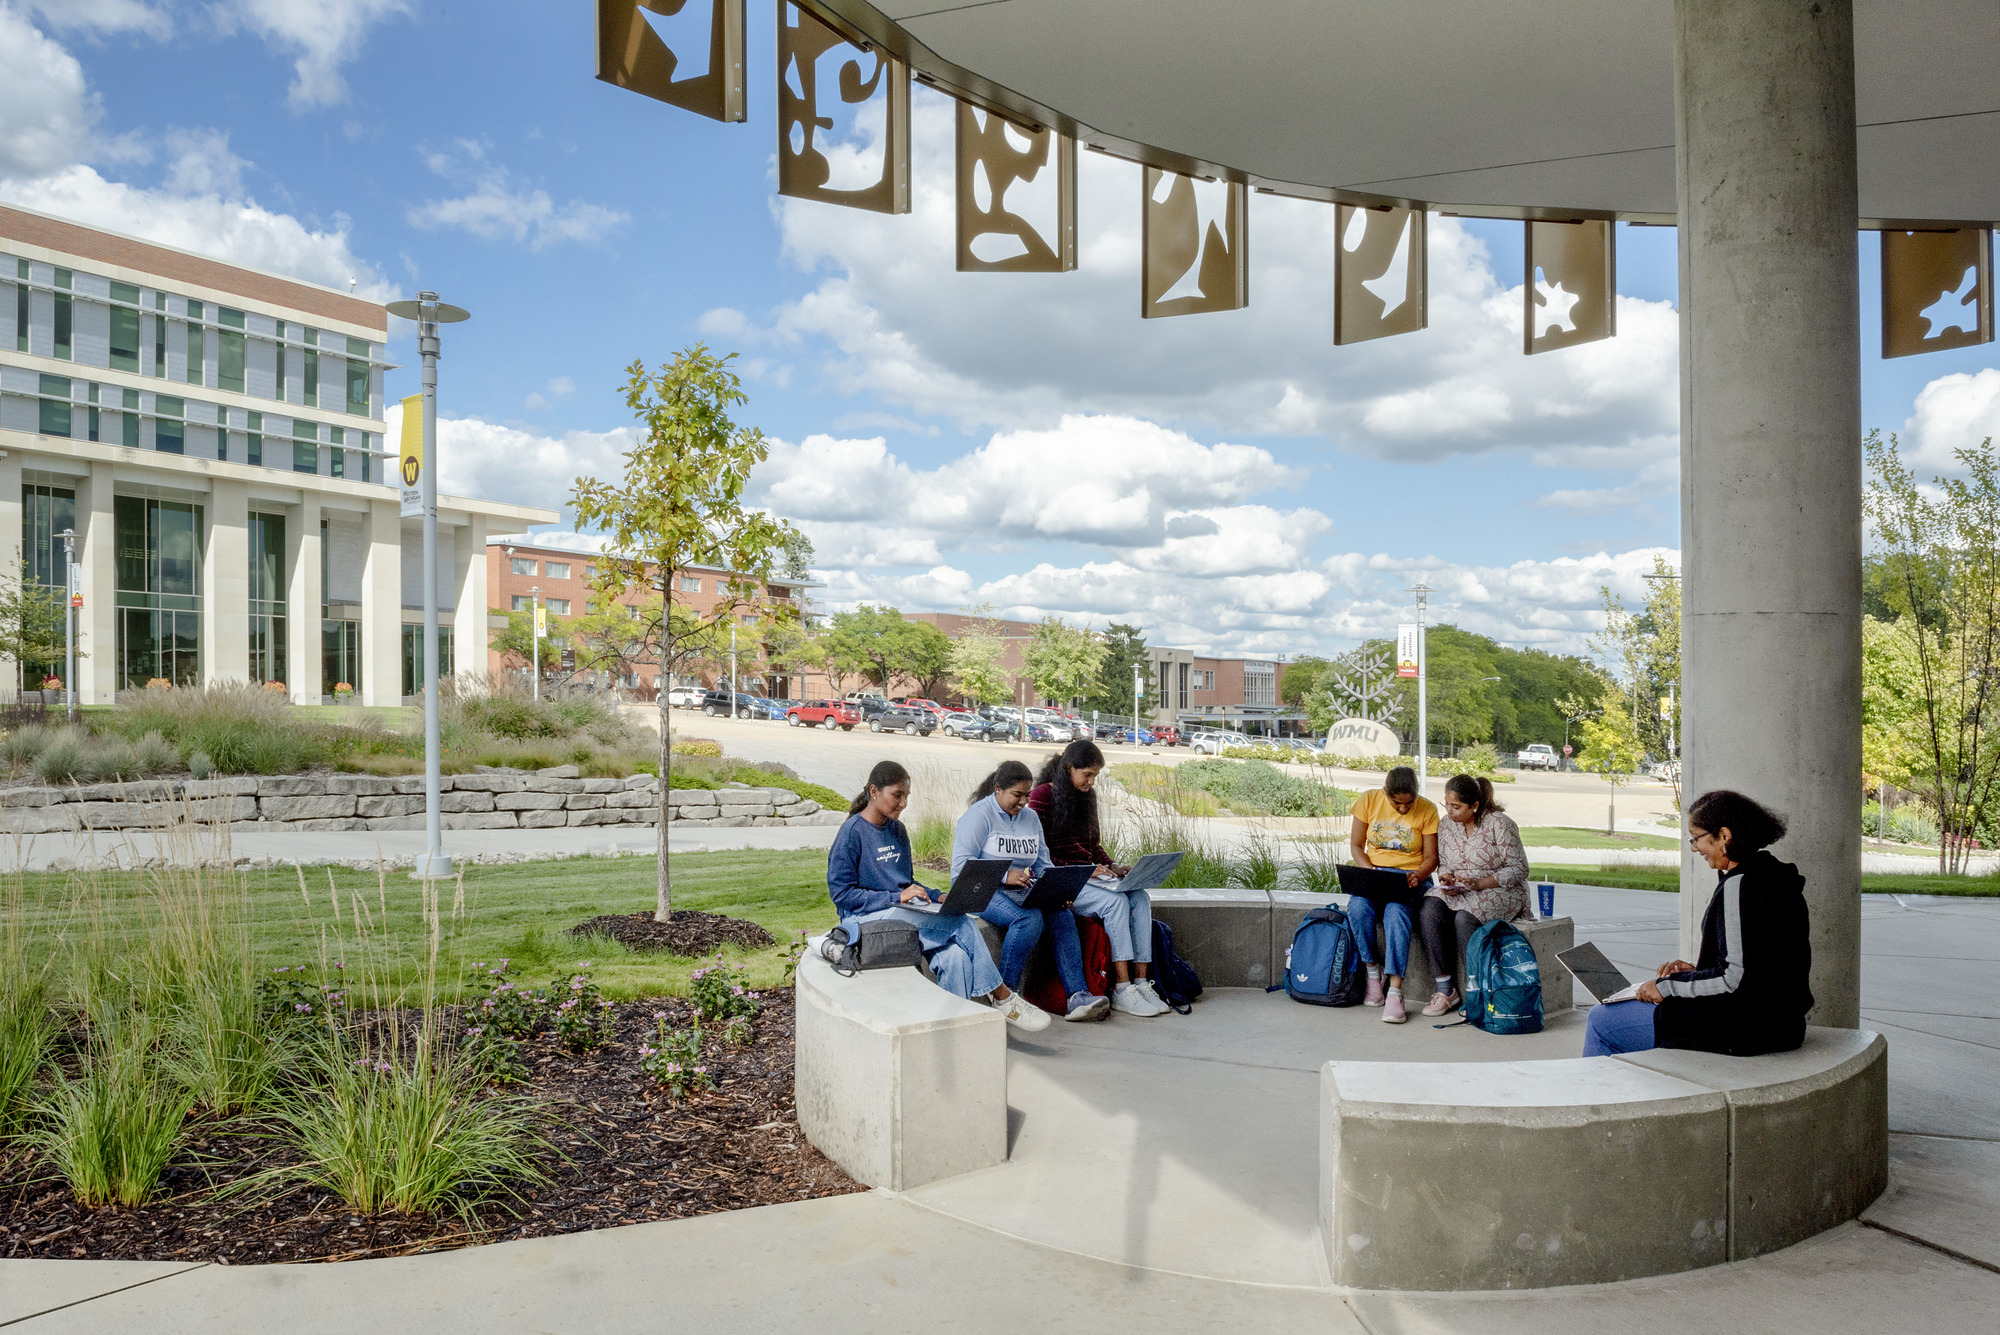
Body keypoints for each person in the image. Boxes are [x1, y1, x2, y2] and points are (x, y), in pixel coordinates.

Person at [1582, 789, 1813, 1058]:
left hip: (1747, 1028)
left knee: (1602, 1019)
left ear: (1724, 835)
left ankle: (1594, 1100)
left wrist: (1666, 986)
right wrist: (1698, 971)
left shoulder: (1740, 886)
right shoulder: (1773, 875)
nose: (1694, 848)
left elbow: (1734, 979)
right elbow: (1761, 963)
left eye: (1696, 838)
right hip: (1782, 1022)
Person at [827, 759, 1051, 1030]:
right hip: (865, 920)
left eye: (906, 796)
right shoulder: (852, 833)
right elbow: (842, 895)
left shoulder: (897, 830)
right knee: (961, 922)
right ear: (874, 792)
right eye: (896, 795)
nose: (902, 803)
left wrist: (935, 895)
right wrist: (896, 898)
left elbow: (904, 882)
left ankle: (954, 1033)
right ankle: (1003, 997)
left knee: (956, 957)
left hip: (899, 913)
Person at [953, 760, 1110, 1022]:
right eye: (1017, 795)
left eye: (1027, 795)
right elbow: (960, 868)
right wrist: (1004, 875)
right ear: (998, 789)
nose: (1024, 801)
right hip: (977, 889)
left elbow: (1043, 863)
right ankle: (1006, 996)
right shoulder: (978, 816)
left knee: (1061, 916)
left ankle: (1078, 997)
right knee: (1028, 918)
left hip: (1018, 889)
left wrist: (1057, 890)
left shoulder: (1030, 818)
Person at [1029, 739, 1169, 1017]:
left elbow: (1093, 847)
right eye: (1087, 774)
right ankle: (1122, 988)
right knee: (1115, 903)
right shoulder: (1043, 795)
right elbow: (1039, 855)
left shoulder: (1087, 797)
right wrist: (1085, 868)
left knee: (1139, 897)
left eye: (1095, 775)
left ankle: (1142, 982)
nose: (1091, 781)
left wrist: (1112, 866)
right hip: (1061, 881)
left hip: (1089, 878)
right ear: (1069, 768)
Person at [1420, 773, 1531, 1017]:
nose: (1449, 811)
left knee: (1463, 918)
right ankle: (1445, 989)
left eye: (1456, 806)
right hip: (1462, 889)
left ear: (1475, 805)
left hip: (1499, 889)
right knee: (1429, 908)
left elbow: (1520, 869)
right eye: (1446, 804)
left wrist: (1481, 883)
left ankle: (1476, 990)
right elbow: (1446, 862)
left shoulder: (1499, 823)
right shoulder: (1447, 825)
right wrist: (1447, 876)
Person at [1346, 765, 1440, 1024]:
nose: (1402, 808)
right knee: (1357, 908)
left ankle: (1396, 991)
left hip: (1410, 877)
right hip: (1374, 872)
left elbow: (1432, 857)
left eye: (1408, 803)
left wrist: (1418, 875)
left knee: (1396, 913)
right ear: (1385, 793)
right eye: (1396, 803)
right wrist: (1369, 872)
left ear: (1417, 795)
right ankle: (1373, 973)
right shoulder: (1368, 800)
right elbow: (1356, 846)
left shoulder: (1428, 809)